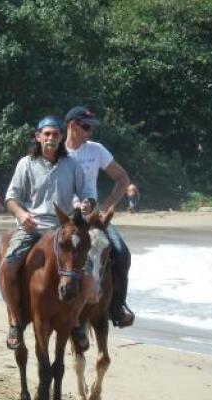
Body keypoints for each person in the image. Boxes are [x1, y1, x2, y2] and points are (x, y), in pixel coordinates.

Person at [1, 116, 95, 350]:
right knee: (8, 266)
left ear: (62, 137)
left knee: (89, 272)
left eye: (56, 134)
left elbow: (87, 193)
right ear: (38, 136)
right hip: (33, 225)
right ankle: (15, 320)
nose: (51, 138)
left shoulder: (72, 165)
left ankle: (74, 320)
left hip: (63, 228)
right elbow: (11, 197)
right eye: (47, 134)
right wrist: (22, 215)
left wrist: (87, 204)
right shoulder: (25, 163)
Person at [64, 106, 134, 328]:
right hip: (65, 217)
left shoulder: (96, 150)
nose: (89, 132)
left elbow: (122, 178)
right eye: (86, 127)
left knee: (121, 253)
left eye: (91, 128)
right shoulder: (57, 151)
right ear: (72, 126)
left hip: (93, 217)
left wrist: (106, 205)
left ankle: (117, 306)